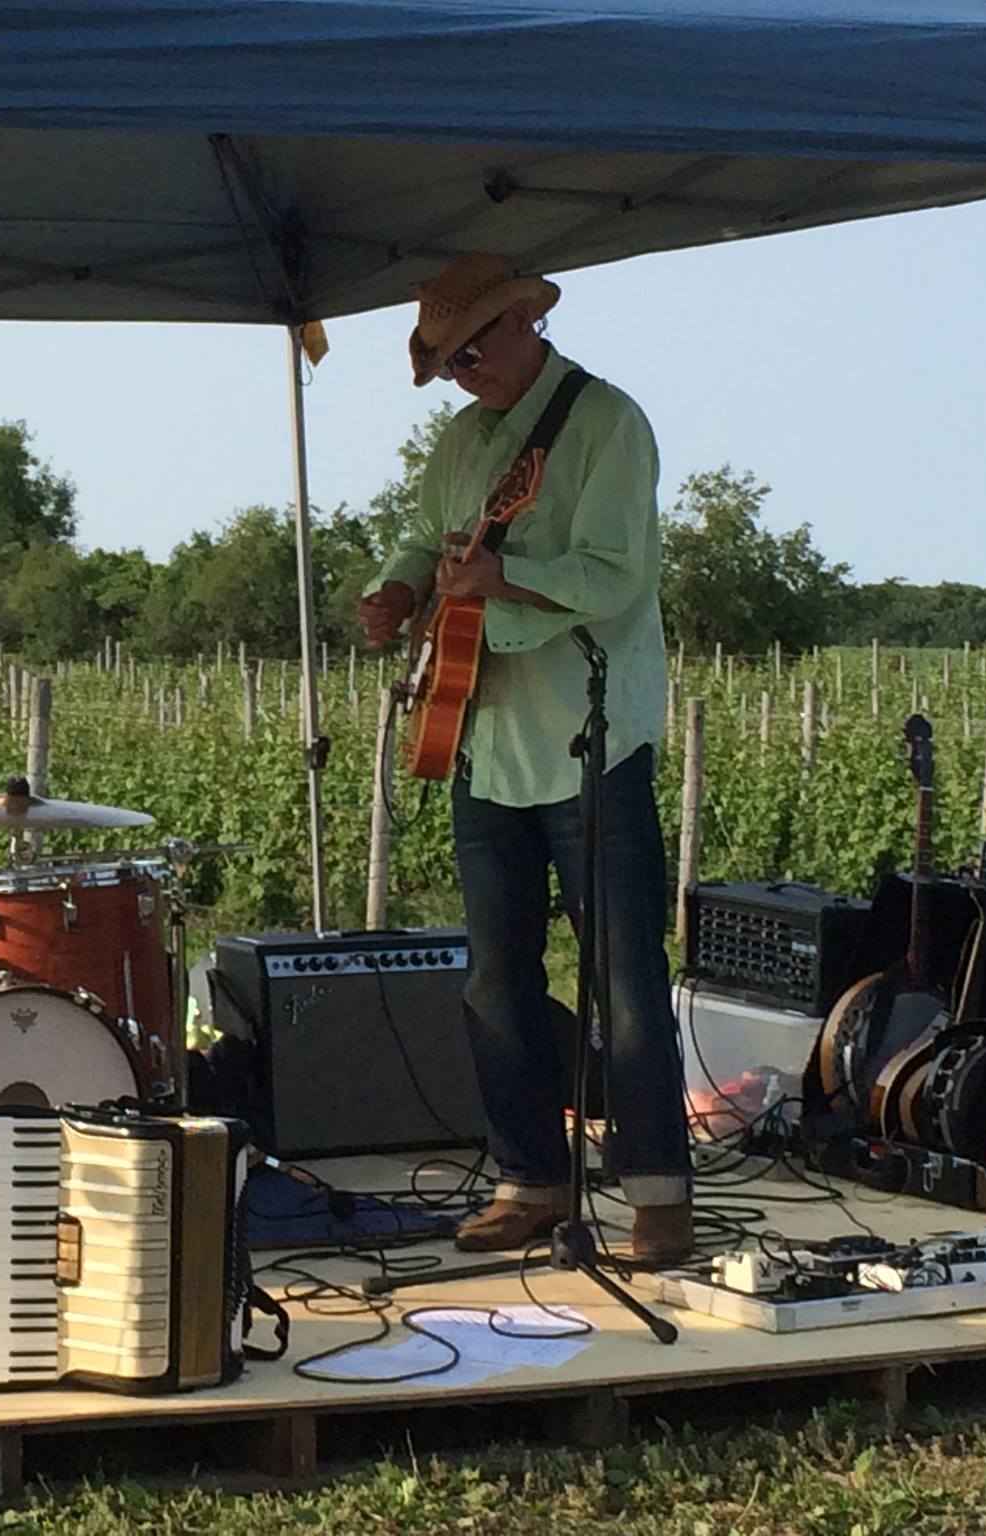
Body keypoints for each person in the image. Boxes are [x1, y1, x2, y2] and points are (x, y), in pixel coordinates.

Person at [356, 253, 692, 1266]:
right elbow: (426, 539)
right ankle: (527, 1179)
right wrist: (397, 591)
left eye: (472, 353)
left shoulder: (606, 422)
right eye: (446, 363)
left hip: (590, 738)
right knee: (493, 980)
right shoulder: (460, 441)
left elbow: (614, 573)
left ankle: (657, 1194)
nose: (463, 375)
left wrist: (507, 578)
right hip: (482, 736)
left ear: (523, 326)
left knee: (624, 979)